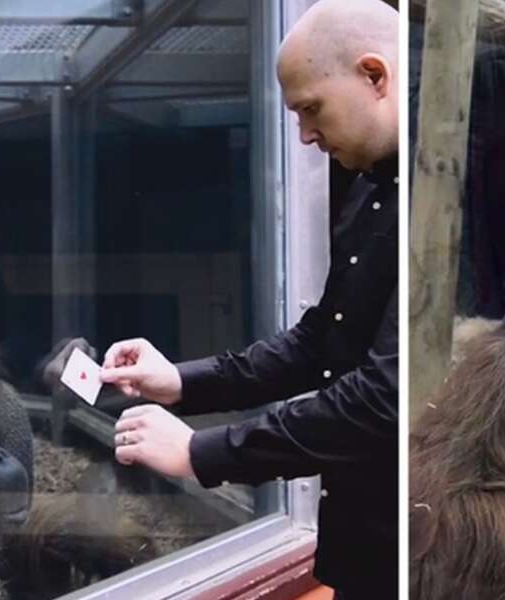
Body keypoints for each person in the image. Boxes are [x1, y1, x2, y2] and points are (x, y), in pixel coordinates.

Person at [98, 1, 399, 598]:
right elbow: (320, 342)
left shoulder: (424, 197)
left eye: (311, 109)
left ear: (374, 75)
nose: (306, 135)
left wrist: (201, 452)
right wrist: (182, 381)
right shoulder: (366, 194)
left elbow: (383, 397)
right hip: (360, 544)